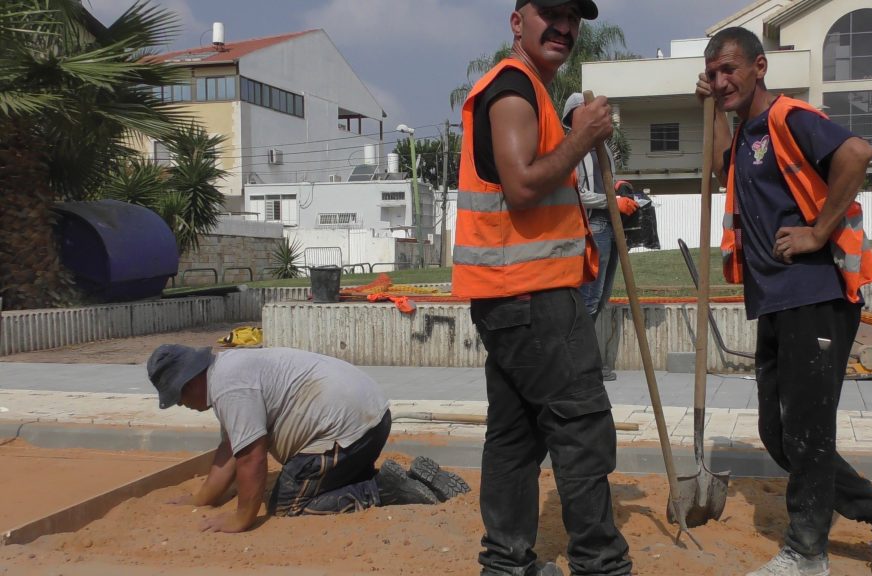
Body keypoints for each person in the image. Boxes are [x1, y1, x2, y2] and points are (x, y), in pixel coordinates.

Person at [696, 27, 872, 576]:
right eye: (714, 70)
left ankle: (806, 553)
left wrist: (818, 232)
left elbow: (857, 151)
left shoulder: (788, 117)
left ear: (759, 67)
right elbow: (719, 165)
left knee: (808, 430)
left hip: (817, 295)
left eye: (731, 69)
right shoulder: (747, 130)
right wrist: (708, 106)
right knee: (780, 434)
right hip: (776, 299)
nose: (722, 78)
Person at [451, 1, 633, 575]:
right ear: (516, 21)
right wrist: (583, 137)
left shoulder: (527, 88)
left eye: (573, 19)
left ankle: (505, 564)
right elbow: (524, 185)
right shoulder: (513, 89)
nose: (563, 28)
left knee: (514, 436)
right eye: (549, 14)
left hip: (511, 296)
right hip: (534, 297)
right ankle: (600, 564)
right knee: (579, 426)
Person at [147, 344, 469, 533]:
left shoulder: (229, 386)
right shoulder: (228, 370)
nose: (183, 405)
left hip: (347, 431)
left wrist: (241, 518)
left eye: (178, 398)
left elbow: (251, 458)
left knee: (287, 502)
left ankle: (380, 489)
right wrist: (200, 499)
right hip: (370, 420)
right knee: (318, 479)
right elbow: (231, 450)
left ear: (189, 382)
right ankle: (411, 480)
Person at [561, 92, 638, 382]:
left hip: (612, 223)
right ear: (575, 114)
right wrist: (611, 200)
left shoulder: (601, 146)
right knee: (590, 298)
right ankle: (580, 362)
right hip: (594, 226)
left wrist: (619, 190)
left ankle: (585, 360)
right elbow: (578, 193)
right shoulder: (574, 147)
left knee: (602, 296)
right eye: (587, 109)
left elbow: (603, 181)